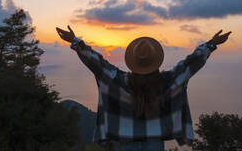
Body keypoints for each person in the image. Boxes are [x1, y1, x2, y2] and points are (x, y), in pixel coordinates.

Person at [56, 26, 231, 151]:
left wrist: (75, 41)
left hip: (125, 145)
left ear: (133, 62)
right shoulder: (169, 81)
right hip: (154, 145)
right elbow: (191, 62)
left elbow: (97, 63)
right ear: (156, 61)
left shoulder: (116, 81)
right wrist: (211, 44)